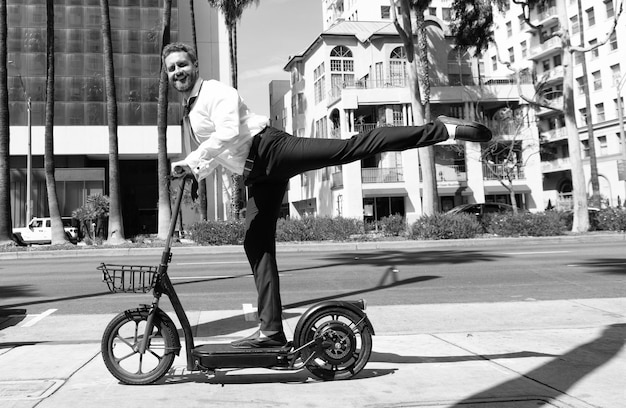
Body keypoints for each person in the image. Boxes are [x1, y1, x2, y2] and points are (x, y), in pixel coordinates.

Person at [164, 42, 492, 348]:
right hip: (257, 173)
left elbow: (230, 132)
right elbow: (222, 152)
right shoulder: (192, 109)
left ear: (195, 65)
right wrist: (196, 172)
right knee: (255, 243)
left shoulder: (215, 92)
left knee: (350, 148)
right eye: (171, 68)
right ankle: (272, 331)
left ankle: (442, 129)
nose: (177, 71)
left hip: (271, 150)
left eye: (182, 65)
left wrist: (192, 162)